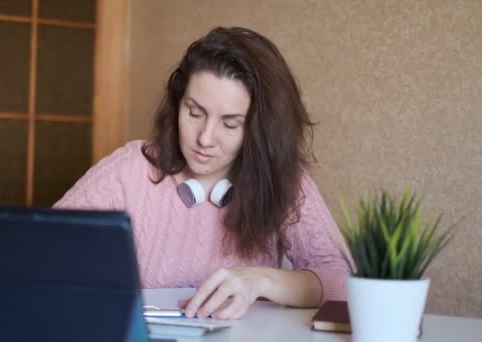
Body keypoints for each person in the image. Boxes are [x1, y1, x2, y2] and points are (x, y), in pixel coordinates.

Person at [54, 26, 352, 320]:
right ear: (177, 103)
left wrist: (261, 280)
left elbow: (344, 283)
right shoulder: (129, 169)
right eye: (194, 113)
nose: (205, 138)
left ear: (260, 130)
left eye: (230, 123)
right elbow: (37, 255)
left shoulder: (284, 179)